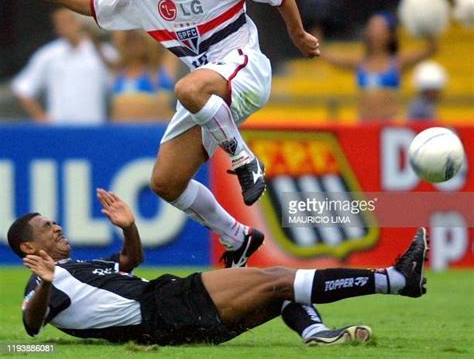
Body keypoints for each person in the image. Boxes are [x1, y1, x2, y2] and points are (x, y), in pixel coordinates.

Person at [21, 0, 320, 266]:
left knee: (186, 88)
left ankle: (244, 159)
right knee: (165, 182)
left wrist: (298, 34)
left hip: (245, 70)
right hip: (208, 95)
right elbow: (99, 6)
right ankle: (237, 237)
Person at [7, 189, 429, 346]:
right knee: (274, 278)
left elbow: (129, 262)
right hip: (164, 307)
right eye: (47, 226)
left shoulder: (79, 268)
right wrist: (43, 285)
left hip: (167, 321)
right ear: (29, 245)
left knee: (274, 288)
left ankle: (316, 333)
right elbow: (30, 328)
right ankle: (396, 280)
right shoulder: (48, 280)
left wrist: (130, 228)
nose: (57, 226)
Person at [319, 12, 438, 120]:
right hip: (364, 124)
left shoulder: (398, 62)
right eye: (372, 28)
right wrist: (317, 29)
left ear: (390, 35)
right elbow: (326, 56)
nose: (375, 33)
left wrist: (426, 26)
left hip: (390, 123)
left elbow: (430, 50)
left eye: (380, 28)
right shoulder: (359, 62)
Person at [11, 8, 116, 124]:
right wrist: (41, 119)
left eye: (68, 22)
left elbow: (117, 87)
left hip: (94, 128)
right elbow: (23, 88)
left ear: (79, 22)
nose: (64, 27)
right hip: (59, 130)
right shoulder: (48, 55)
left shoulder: (103, 53)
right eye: (59, 23)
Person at [110, 30, 174, 122]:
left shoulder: (157, 72)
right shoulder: (117, 72)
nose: (135, 47)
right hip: (121, 131)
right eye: (131, 42)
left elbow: (170, 40)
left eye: (139, 42)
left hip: (150, 131)